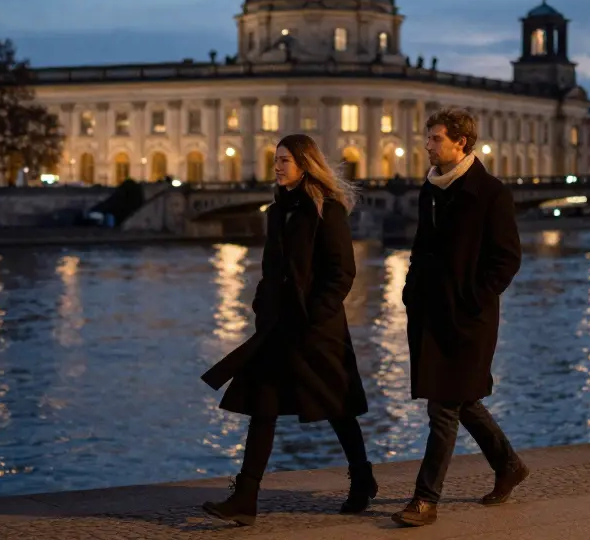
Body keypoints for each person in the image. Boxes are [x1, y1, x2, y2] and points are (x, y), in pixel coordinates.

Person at [201, 134, 376, 526]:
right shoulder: (277, 210)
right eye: (275, 160)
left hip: (317, 330)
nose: (276, 167)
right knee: (263, 407)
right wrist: (262, 304)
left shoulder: (327, 210)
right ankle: (245, 497)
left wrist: (315, 315)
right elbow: (271, 268)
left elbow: (341, 272)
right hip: (278, 327)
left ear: (304, 163)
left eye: (283, 160)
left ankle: (362, 478)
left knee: (337, 408)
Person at [392, 108, 528, 528]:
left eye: (434, 138)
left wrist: (475, 297)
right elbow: (421, 246)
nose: (427, 145)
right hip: (432, 312)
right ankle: (508, 465)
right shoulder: (430, 189)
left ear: (460, 143)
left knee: (443, 406)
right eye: (428, 138)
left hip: (469, 317)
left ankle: (425, 499)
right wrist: (411, 289)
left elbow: (507, 259)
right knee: (462, 398)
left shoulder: (490, 193)